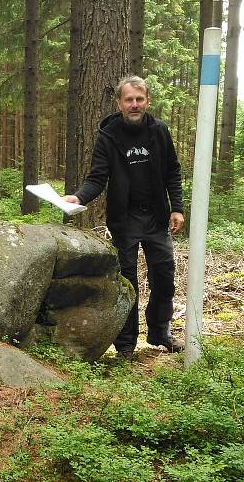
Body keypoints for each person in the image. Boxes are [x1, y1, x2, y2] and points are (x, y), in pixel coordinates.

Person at [64, 75, 184, 361]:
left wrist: (177, 208)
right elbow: (97, 177)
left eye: (139, 99)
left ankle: (160, 333)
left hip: (156, 219)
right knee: (127, 282)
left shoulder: (160, 132)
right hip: (125, 221)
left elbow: (173, 172)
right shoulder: (109, 136)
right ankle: (126, 345)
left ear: (147, 101)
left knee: (164, 278)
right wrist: (79, 197)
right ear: (119, 103)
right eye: (128, 100)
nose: (134, 105)